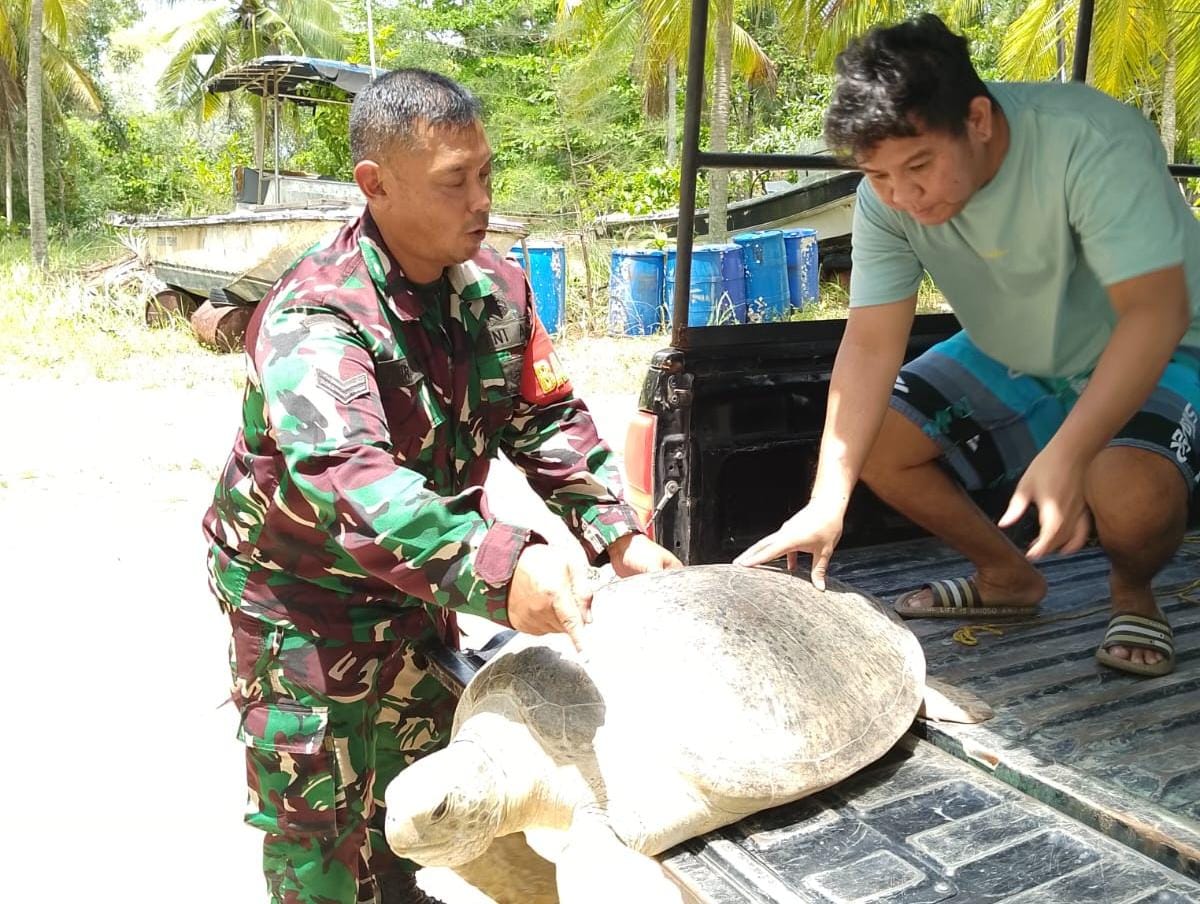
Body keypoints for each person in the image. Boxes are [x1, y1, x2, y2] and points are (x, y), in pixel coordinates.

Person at [202, 68, 681, 904]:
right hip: (301, 595)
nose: (480, 200)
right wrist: (503, 567)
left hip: (420, 581)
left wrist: (619, 533)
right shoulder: (317, 315)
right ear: (375, 186)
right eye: (453, 182)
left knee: (418, 778)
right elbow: (349, 480)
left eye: (487, 173)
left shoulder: (496, 289)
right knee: (317, 805)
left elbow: (545, 414)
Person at [736, 14, 1200, 679]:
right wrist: (826, 499)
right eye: (879, 175)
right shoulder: (886, 201)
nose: (903, 195)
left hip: (1160, 338)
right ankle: (1008, 577)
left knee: (1125, 494)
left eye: (919, 166)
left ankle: (1133, 593)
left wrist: (1068, 453)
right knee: (881, 447)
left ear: (978, 120)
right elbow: (869, 344)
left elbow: (1154, 314)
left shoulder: (1092, 142)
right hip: (1017, 346)